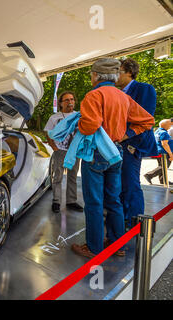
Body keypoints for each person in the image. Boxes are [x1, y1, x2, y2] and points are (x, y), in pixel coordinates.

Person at [71, 58, 154, 259]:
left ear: (97, 75)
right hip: (116, 153)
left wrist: (78, 125)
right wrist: (125, 135)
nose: (91, 77)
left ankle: (94, 248)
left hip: (96, 153)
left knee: (94, 203)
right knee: (114, 201)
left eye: (92, 74)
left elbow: (89, 126)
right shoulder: (122, 96)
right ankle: (119, 245)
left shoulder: (94, 95)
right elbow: (148, 120)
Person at [115, 58, 158, 224]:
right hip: (116, 145)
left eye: (118, 71)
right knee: (118, 183)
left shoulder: (144, 89)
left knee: (130, 183)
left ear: (129, 72)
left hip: (132, 144)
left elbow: (146, 119)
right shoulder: (116, 93)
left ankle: (134, 221)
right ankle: (122, 218)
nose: (114, 75)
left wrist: (128, 139)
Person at [44, 91, 83, 213]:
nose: (70, 102)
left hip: (74, 151)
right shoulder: (54, 118)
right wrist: (54, 148)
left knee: (72, 176)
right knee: (58, 177)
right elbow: (47, 132)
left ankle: (71, 201)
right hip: (60, 150)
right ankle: (56, 201)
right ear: (60, 103)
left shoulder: (79, 116)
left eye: (72, 99)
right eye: (66, 100)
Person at [144, 119, 173, 185]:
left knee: (161, 165)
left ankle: (163, 180)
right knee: (164, 166)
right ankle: (149, 175)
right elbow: (164, 144)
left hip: (159, 151)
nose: (170, 126)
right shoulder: (164, 133)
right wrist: (170, 153)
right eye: (169, 124)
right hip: (164, 152)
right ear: (165, 125)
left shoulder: (157, 131)